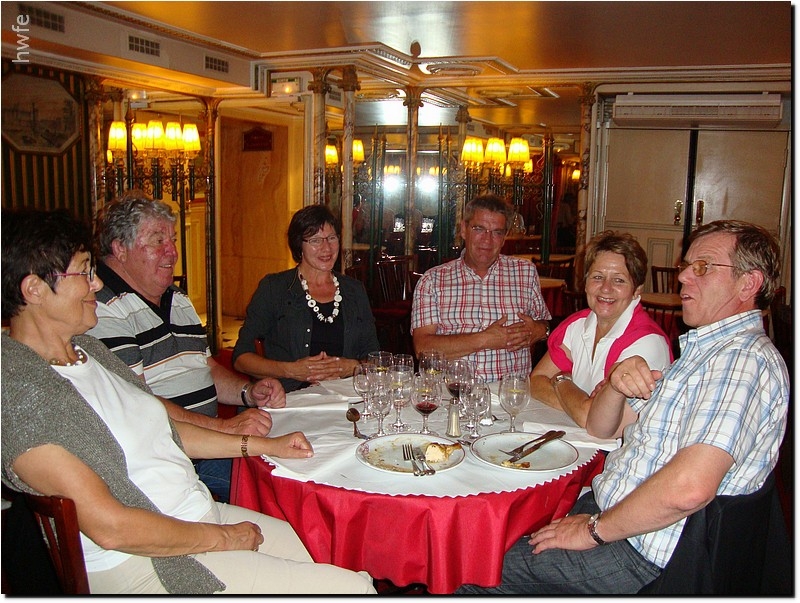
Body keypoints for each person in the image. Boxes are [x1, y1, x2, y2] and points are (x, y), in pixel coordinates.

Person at [0, 209, 376, 595]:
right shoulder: (20, 397)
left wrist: (266, 444)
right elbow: (112, 528)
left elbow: (164, 428)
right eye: (84, 271)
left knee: (334, 556)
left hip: (192, 511)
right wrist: (223, 538)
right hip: (151, 560)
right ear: (34, 289)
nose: (96, 282)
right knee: (354, 590)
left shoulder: (87, 352)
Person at [457, 220, 789, 594]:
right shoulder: (703, 354)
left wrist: (593, 530)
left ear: (748, 284)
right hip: (609, 508)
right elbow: (600, 427)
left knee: (468, 569)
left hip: (640, 550)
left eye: (702, 267)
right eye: (686, 266)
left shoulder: (741, 362)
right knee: (490, 532)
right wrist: (615, 385)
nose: (682, 277)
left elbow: (690, 489)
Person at [87, 191, 285, 503]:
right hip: (167, 464)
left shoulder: (176, 298)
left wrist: (248, 392)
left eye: (173, 240)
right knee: (279, 485)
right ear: (120, 248)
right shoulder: (103, 309)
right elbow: (138, 404)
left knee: (298, 454)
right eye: (158, 241)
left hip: (210, 448)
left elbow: (204, 367)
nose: (173, 252)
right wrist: (224, 428)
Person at [530, 231, 673, 427]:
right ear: (585, 283)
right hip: (577, 436)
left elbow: (593, 419)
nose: (606, 288)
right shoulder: (577, 325)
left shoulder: (647, 343)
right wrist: (579, 405)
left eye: (619, 280)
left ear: (637, 290)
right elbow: (537, 381)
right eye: (597, 277)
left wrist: (561, 381)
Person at [233, 205, 379, 392]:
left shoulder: (354, 290)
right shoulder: (274, 288)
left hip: (345, 397)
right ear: (299, 246)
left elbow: (375, 358)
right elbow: (241, 358)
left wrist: (352, 367)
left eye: (332, 238)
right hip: (288, 398)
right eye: (315, 240)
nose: (326, 248)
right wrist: (292, 371)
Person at [411, 193, 551, 382]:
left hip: (509, 392)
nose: (487, 240)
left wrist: (540, 331)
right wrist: (485, 339)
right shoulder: (433, 280)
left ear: (504, 237)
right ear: (463, 229)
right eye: (479, 229)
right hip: (452, 391)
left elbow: (544, 323)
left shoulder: (525, 272)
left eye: (497, 232)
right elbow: (422, 348)